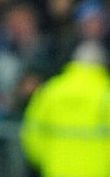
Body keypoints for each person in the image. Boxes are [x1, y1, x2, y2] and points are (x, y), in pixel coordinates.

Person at [21, 41, 110, 177]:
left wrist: (46, 158)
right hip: (98, 171)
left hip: (56, 170)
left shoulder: (51, 90)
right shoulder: (105, 93)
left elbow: (31, 130)